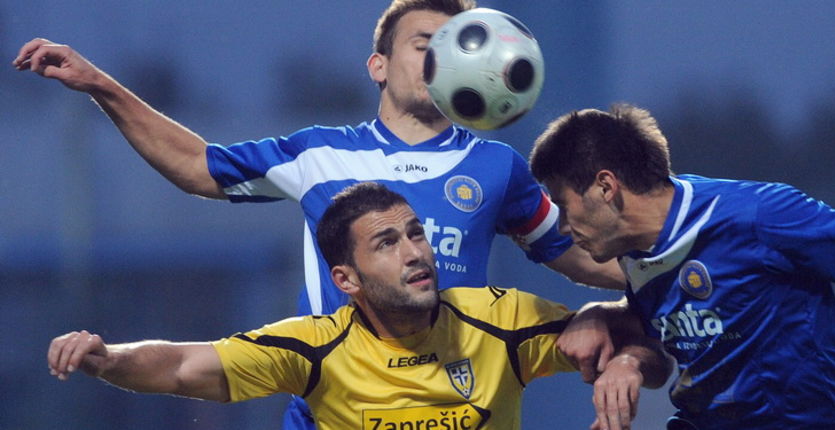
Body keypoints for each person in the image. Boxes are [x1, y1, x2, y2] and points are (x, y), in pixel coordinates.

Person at [14, 1, 627, 427]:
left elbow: (583, 256)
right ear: (379, 65)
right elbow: (197, 166)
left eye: (457, 42)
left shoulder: (496, 165)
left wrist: (668, 272)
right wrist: (102, 86)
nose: (444, 56)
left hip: (460, 403)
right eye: (425, 43)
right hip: (336, 402)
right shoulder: (320, 152)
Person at [47, 183, 671, 430]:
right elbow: (183, 365)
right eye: (387, 243)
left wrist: (627, 362)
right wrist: (107, 357)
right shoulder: (314, 346)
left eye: (416, 233)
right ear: (345, 278)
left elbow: (646, 330)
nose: (414, 252)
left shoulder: (500, 318)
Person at [527, 103, 835, 429]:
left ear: (605, 187)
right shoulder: (634, 253)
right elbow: (661, 354)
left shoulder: (757, 216)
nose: (564, 228)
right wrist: (627, 358)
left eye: (563, 206)